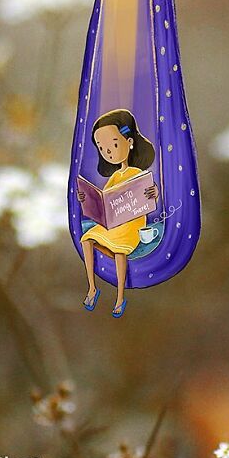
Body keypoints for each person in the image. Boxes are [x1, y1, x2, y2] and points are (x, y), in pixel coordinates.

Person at [77, 109, 158, 317]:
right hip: (114, 223)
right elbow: (104, 199)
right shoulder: (114, 177)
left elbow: (148, 195)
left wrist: (154, 193)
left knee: (120, 249)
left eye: (112, 145)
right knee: (87, 238)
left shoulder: (136, 173)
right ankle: (92, 288)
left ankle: (120, 296)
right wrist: (88, 200)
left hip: (131, 224)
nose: (108, 152)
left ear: (129, 141)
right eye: (102, 149)